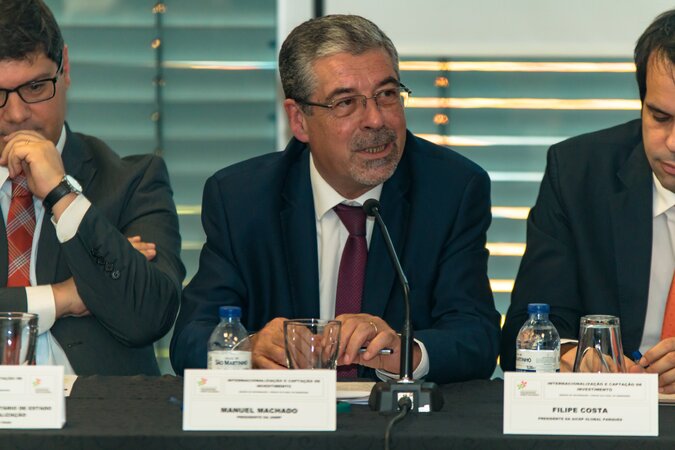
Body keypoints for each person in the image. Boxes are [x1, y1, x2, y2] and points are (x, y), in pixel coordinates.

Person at [171, 14, 500, 383]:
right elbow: (191, 338)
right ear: (299, 120)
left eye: (387, 95)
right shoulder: (242, 198)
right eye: (346, 102)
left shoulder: (451, 189)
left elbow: (476, 336)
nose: (376, 120)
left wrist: (405, 352)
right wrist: (249, 348)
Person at [0, 0, 185, 375]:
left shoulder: (134, 181)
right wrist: (63, 297)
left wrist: (62, 194)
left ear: (65, 68)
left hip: (97, 408)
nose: (17, 114)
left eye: (35, 87)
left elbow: (149, 316)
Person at [501, 9, 675, 392]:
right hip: (607, 410)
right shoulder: (578, 174)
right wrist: (573, 356)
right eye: (660, 117)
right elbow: (524, 331)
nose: (672, 142)